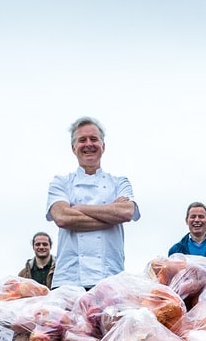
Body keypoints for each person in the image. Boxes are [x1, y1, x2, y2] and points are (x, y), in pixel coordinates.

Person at [45, 116, 140, 289]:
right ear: (73, 148)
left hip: (110, 279)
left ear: (103, 146)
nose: (88, 144)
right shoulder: (61, 182)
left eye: (94, 139)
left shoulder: (119, 182)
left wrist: (79, 208)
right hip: (69, 280)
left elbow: (126, 212)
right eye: (82, 140)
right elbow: (62, 218)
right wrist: (110, 217)